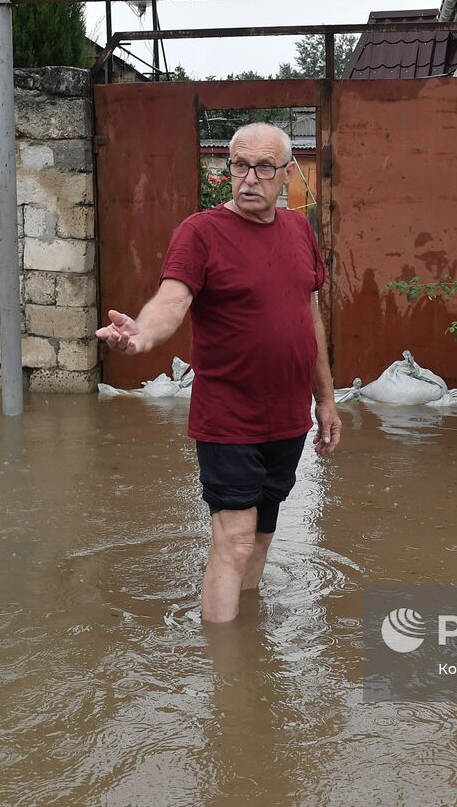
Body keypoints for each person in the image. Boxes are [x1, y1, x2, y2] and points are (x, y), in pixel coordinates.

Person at [96, 122, 342, 623]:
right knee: (233, 541)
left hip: (288, 419)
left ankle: (247, 645)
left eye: (264, 167)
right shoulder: (201, 233)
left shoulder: (299, 229)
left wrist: (326, 399)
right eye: (239, 165)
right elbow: (173, 299)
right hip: (228, 418)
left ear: (286, 174)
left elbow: (308, 315)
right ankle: (226, 681)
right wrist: (142, 333)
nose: (249, 178)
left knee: (262, 537)